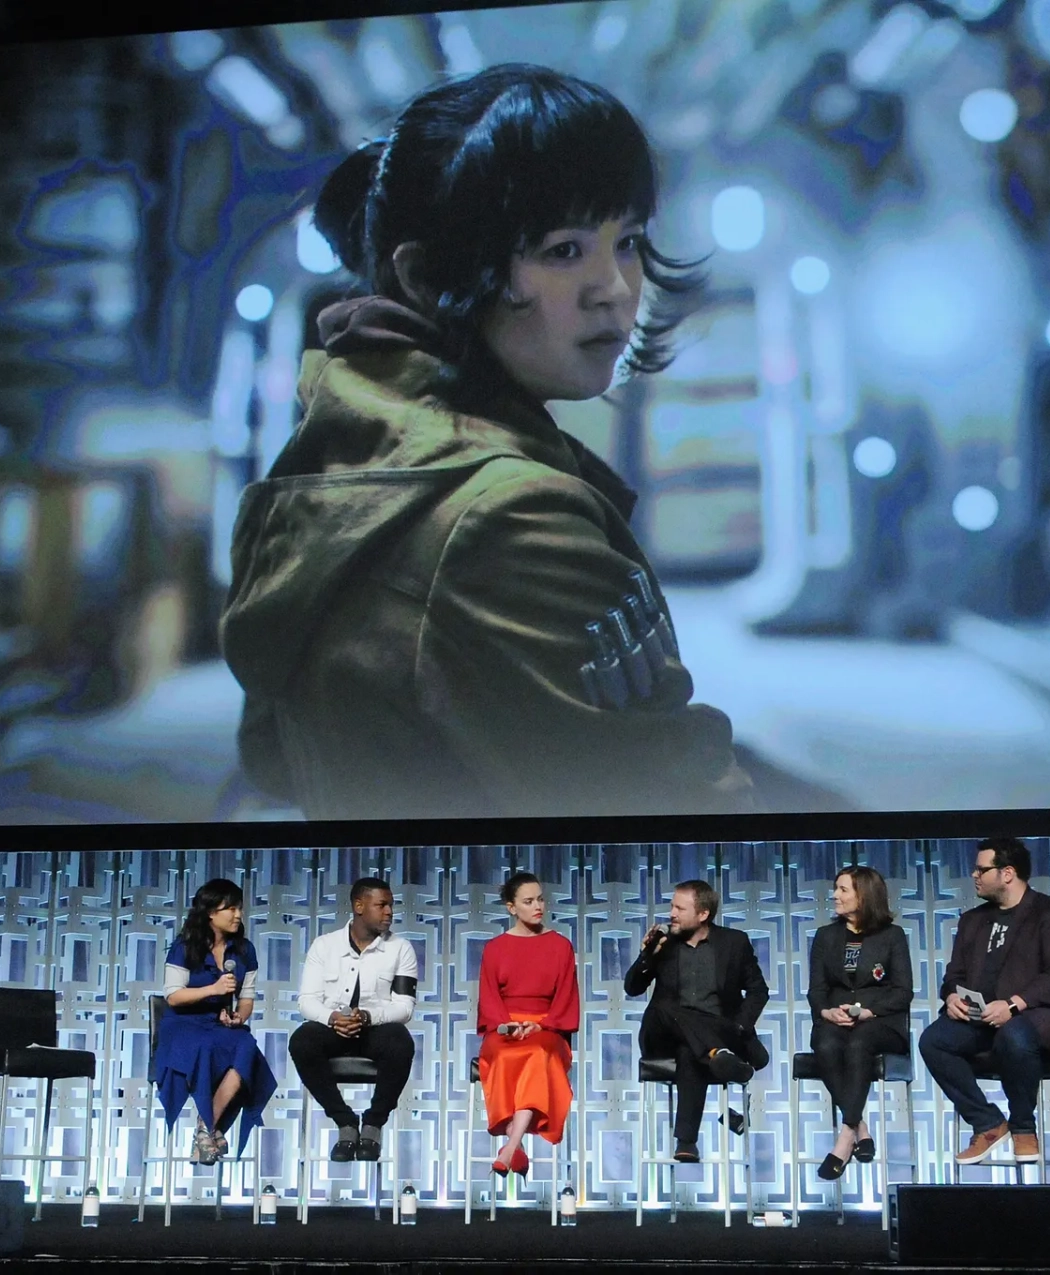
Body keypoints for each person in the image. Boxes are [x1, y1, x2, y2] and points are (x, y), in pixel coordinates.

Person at [219, 63, 753, 821]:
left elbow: (271, 756)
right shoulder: (506, 520)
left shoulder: (333, 456)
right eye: (564, 250)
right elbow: (676, 821)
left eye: (627, 240)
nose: (616, 286)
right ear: (432, 277)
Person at [917, 836, 1050, 1165]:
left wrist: (1013, 1004)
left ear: (1008, 873)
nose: (975, 876)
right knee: (934, 1040)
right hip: (982, 1019)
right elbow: (954, 974)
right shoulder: (973, 920)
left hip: (1039, 1019)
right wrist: (952, 995)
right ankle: (988, 1123)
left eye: (982, 869)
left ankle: (1024, 1125)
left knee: (1015, 1034)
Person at [623, 879, 769, 1162]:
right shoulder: (663, 943)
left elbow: (757, 990)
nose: (672, 913)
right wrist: (646, 956)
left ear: (703, 914)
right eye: (672, 906)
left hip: (714, 1032)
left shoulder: (733, 942)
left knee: (690, 1050)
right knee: (664, 1009)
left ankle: (686, 1141)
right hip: (662, 1033)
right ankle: (718, 1053)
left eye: (680, 908)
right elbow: (632, 988)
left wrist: (739, 1027)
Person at [288, 877, 420, 1163]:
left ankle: (372, 1126)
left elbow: (405, 1008)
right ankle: (345, 1123)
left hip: (375, 1031)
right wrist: (333, 1018)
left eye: (391, 905)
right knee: (302, 1040)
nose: (389, 912)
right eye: (381, 905)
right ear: (359, 906)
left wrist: (370, 1016)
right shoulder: (324, 946)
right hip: (333, 1029)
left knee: (400, 1041)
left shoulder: (401, 948)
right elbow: (307, 1000)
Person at [156, 880, 278, 1164]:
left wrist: (239, 1016)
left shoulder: (244, 950)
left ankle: (204, 1126)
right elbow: (173, 996)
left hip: (219, 1025)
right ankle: (213, 1129)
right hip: (183, 1026)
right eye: (231, 909)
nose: (238, 915)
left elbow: (246, 999)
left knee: (246, 1045)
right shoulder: (184, 947)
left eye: (240, 909)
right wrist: (213, 990)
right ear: (210, 912)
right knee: (210, 1047)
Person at [807, 866, 913, 1180]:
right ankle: (859, 1127)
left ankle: (844, 1138)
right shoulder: (826, 936)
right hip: (835, 1020)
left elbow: (903, 992)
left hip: (881, 1023)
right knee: (826, 1043)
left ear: (863, 895)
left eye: (843, 890)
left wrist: (868, 1010)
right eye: (836, 888)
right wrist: (826, 1012)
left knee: (859, 1042)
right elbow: (816, 990)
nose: (835, 896)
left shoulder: (892, 936)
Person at [476, 871, 580, 1174]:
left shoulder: (560, 946)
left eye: (540, 899)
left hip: (547, 1029)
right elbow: (489, 998)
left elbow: (566, 997)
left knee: (537, 1054)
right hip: (505, 1028)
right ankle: (515, 1146)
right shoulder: (495, 948)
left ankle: (510, 1147)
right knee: (504, 1052)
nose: (538, 906)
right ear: (512, 908)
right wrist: (506, 1025)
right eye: (528, 901)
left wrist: (543, 1024)